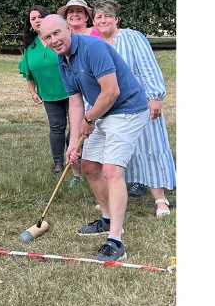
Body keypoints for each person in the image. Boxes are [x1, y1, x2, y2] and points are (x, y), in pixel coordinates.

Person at [38, 14, 149, 262]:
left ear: (68, 29)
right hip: (101, 111)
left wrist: (89, 121)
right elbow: (76, 103)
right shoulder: (62, 61)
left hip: (128, 109)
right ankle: (107, 218)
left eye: (57, 33)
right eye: (47, 37)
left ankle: (116, 240)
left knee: (111, 169)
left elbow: (111, 91)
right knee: (88, 165)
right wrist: (73, 141)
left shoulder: (93, 48)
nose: (54, 40)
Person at [91, 0, 176, 217]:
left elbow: (148, 67)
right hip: (112, 108)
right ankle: (112, 199)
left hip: (141, 103)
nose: (103, 20)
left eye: (108, 15)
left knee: (151, 146)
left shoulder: (132, 38)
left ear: (116, 18)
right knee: (116, 153)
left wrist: (154, 97)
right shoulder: (95, 44)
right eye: (98, 16)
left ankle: (160, 200)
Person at [18, 5, 82, 188]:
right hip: (48, 94)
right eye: (33, 18)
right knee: (56, 127)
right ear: (30, 24)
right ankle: (58, 163)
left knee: (75, 128)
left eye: (40, 16)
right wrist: (32, 91)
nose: (37, 20)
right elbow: (27, 72)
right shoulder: (30, 47)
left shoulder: (59, 39)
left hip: (71, 92)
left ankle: (76, 159)